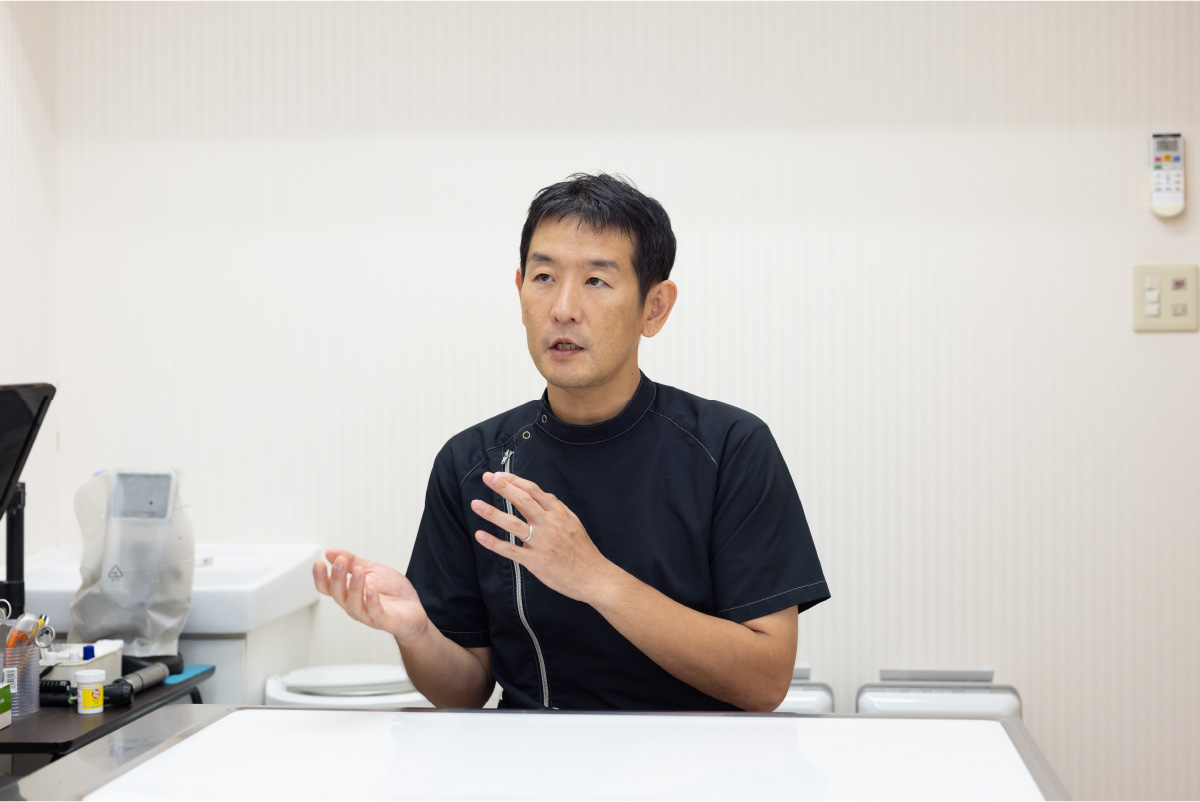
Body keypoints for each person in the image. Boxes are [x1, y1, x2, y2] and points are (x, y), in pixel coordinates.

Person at [313, 173, 829, 711]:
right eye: (543, 277)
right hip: (529, 755)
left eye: (597, 281)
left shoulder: (731, 448)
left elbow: (765, 681)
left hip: (699, 754)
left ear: (654, 307)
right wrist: (417, 632)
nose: (563, 308)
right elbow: (464, 692)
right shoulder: (473, 464)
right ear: (519, 292)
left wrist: (594, 578)